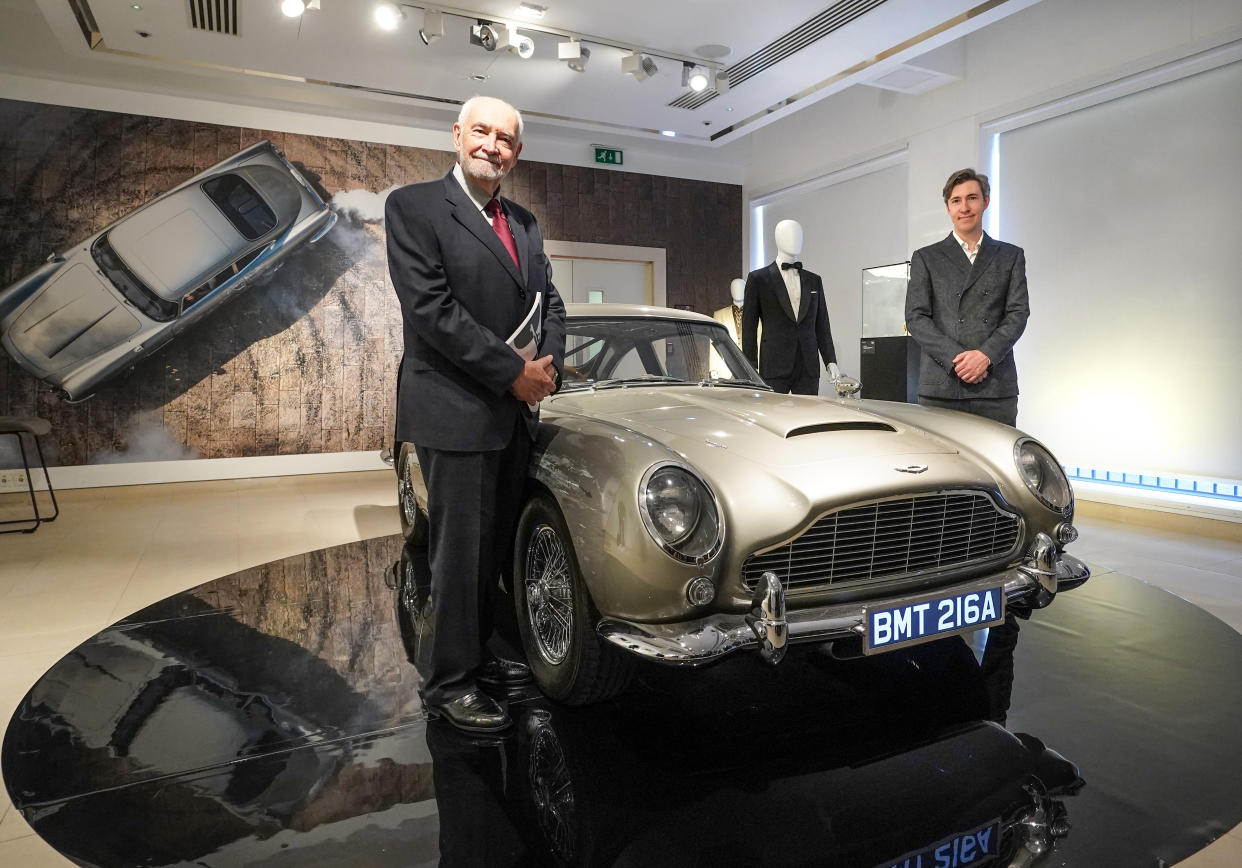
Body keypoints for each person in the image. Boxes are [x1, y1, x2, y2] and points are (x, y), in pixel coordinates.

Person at [385, 96, 566, 733]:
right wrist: (513, 373)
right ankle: (449, 682)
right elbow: (432, 312)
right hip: (455, 409)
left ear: (517, 153)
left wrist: (548, 371)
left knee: (492, 550)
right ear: (457, 134)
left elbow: (552, 304)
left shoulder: (523, 221)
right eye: (483, 132)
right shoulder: (412, 208)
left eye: (508, 139)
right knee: (458, 555)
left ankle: (483, 655)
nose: (494, 145)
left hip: (514, 414)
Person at [904, 168, 1029, 426]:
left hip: (995, 386)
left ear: (986, 202)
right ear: (948, 208)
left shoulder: (1010, 256)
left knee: (997, 462)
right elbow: (916, 317)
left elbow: (1017, 314)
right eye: (956, 200)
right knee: (942, 463)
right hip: (942, 386)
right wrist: (958, 359)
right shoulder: (926, 258)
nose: (964, 207)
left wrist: (984, 356)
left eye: (972, 198)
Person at [741, 219, 840, 395]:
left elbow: (822, 325)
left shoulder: (814, 280)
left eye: (799, 235)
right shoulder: (758, 279)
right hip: (774, 365)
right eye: (790, 235)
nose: (796, 240)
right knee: (775, 417)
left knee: (808, 417)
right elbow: (749, 328)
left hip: (808, 366)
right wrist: (750, 368)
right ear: (778, 239)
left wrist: (830, 361)